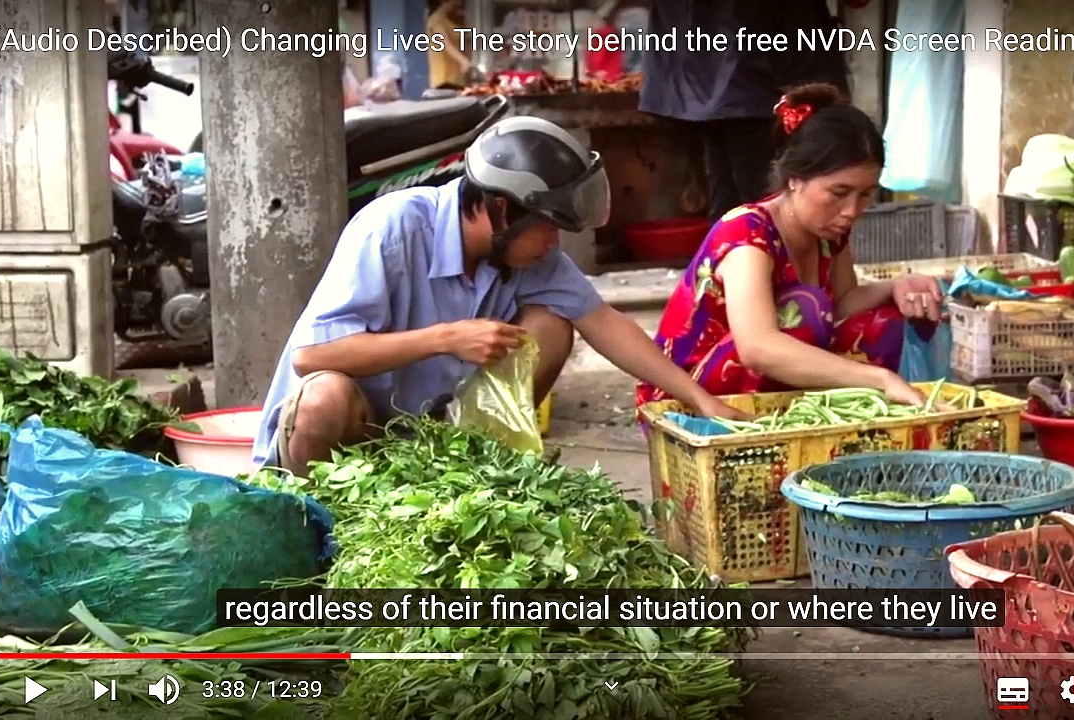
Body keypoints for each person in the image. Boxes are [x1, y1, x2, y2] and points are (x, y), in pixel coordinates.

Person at [254, 116, 743, 475]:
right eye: (550, 230)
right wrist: (446, 338)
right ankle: (318, 522)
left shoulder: (522, 252)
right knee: (324, 398)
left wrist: (700, 399)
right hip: (344, 439)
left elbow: (604, 323)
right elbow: (314, 355)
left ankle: (476, 476)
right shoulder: (392, 228)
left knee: (552, 327)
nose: (554, 246)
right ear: (504, 211)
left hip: (425, 444)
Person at [636, 84, 942, 413]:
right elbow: (757, 347)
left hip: (759, 378)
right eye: (839, 193)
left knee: (886, 321)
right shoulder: (747, 235)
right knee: (803, 311)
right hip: (693, 396)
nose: (853, 210)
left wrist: (897, 287)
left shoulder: (830, 230)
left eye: (865, 194)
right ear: (795, 179)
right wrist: (879, 378)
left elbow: (841, 305)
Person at [639, 1, 849, 222]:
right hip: (753, 65)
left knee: (732, 199)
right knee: (764, 203)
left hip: (710, 68)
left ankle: (735, 253)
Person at [427, 0, 473, 89]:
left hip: (460, 79)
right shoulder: (436, 20)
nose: (459, 3)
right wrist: (463, 61)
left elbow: (466, 45)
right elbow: (445, 43)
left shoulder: (459, 21)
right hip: (444, 79)